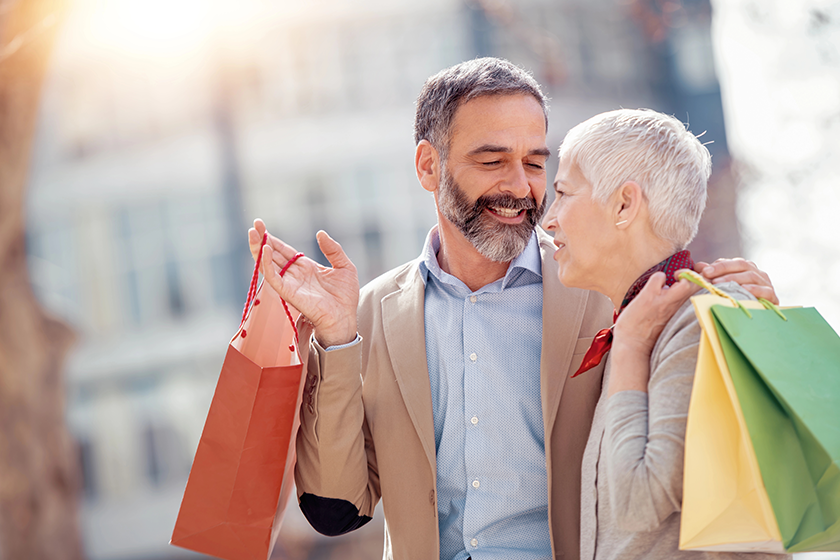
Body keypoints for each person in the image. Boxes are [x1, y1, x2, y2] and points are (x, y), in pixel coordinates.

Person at [249, 59, 776, 560]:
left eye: (536, 164)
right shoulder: (371, 314)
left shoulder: (608, 292)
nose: (521, 187)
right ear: (429, 166)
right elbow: (336, 509)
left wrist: (742, 308)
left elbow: (689, 457)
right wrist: (337, 338)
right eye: (492, 162)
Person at [542, 108, 787, 560]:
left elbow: (638, 506)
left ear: (624, 205)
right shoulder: (639, 325)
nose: (549, 219)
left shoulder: (697, 323)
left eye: (562, 193)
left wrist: (631, 348)